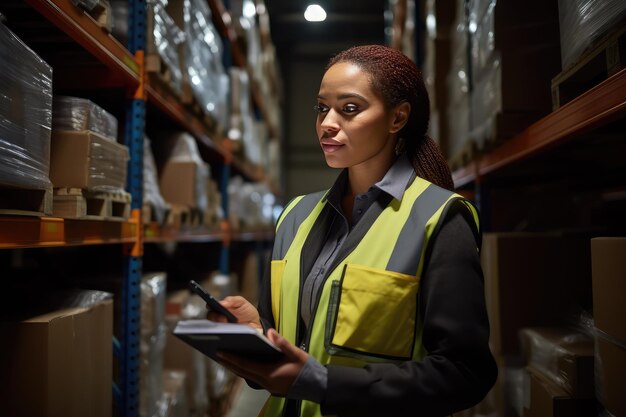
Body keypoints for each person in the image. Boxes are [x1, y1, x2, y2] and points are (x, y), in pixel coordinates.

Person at [209, 44, 498, 417]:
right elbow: (296, 344)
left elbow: (465, 373)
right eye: (321, 108)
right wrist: (256, 332)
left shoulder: (440, 218)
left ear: (397, 119)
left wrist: (323, 382)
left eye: (349, 109)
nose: (327, 123)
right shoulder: (296, 215)